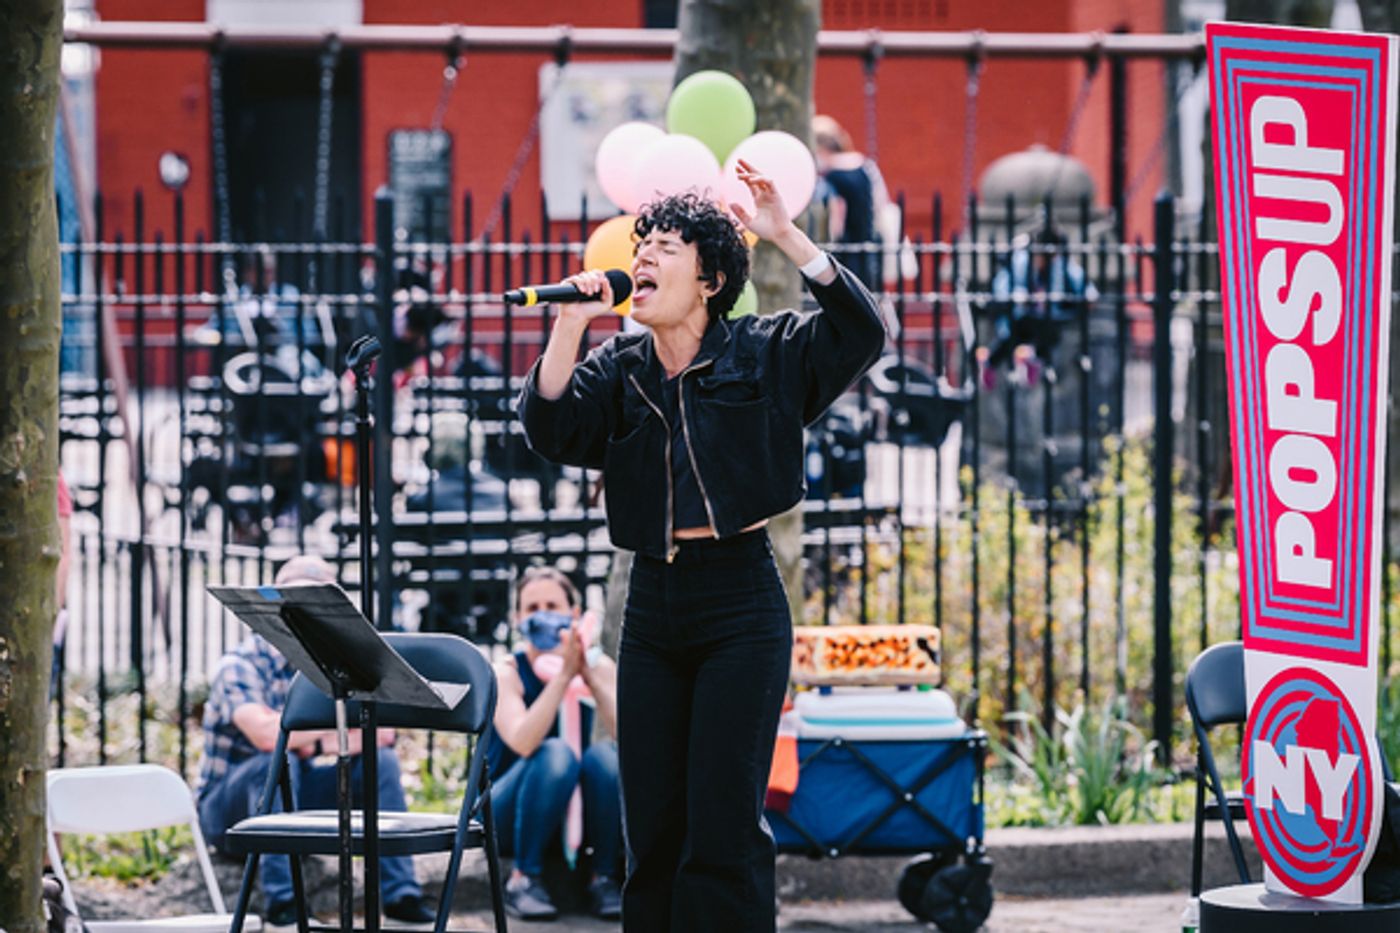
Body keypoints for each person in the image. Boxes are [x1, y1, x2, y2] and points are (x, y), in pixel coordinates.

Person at [517, 163, 885, 931]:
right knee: (651, 831)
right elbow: (550, 429)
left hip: (739, 603)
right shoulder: (619, 370)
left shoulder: (766, 352)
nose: (643, 256)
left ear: (711, 279)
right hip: (653, 605)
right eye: (640, 244)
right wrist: (570, 324)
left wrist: (787, 235)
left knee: (721, 831)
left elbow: (862, 331)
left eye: (665, 247)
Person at [195, 555, 435, 929]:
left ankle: (400, 894)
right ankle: (284, 903)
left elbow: (381, 733)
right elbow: (266, 737)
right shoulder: (240, 665)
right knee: (278, 762)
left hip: (293, 791)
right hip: (227, 810)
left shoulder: (334, 663)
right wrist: (325, 737)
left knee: (381, 761)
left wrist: (311, 742)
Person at [485, 565, 622, 921]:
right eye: (532, 608)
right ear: (517, 618)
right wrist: (563, 678)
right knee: (556, 754)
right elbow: (523, 741)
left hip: (573, 810)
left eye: (552, 606)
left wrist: (588, 676)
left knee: (606, 757)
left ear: (573, 614)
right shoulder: (506, 672)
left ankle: (605, 878)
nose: (543, 615)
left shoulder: (598, 666)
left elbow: (629, 740)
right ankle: (523, 879)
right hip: (506, 812)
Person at [813, 114, 890, 292]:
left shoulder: (830, 174)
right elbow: (880, 202)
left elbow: (835, 220)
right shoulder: (864, 166)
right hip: (868, 241)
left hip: (845, 247)